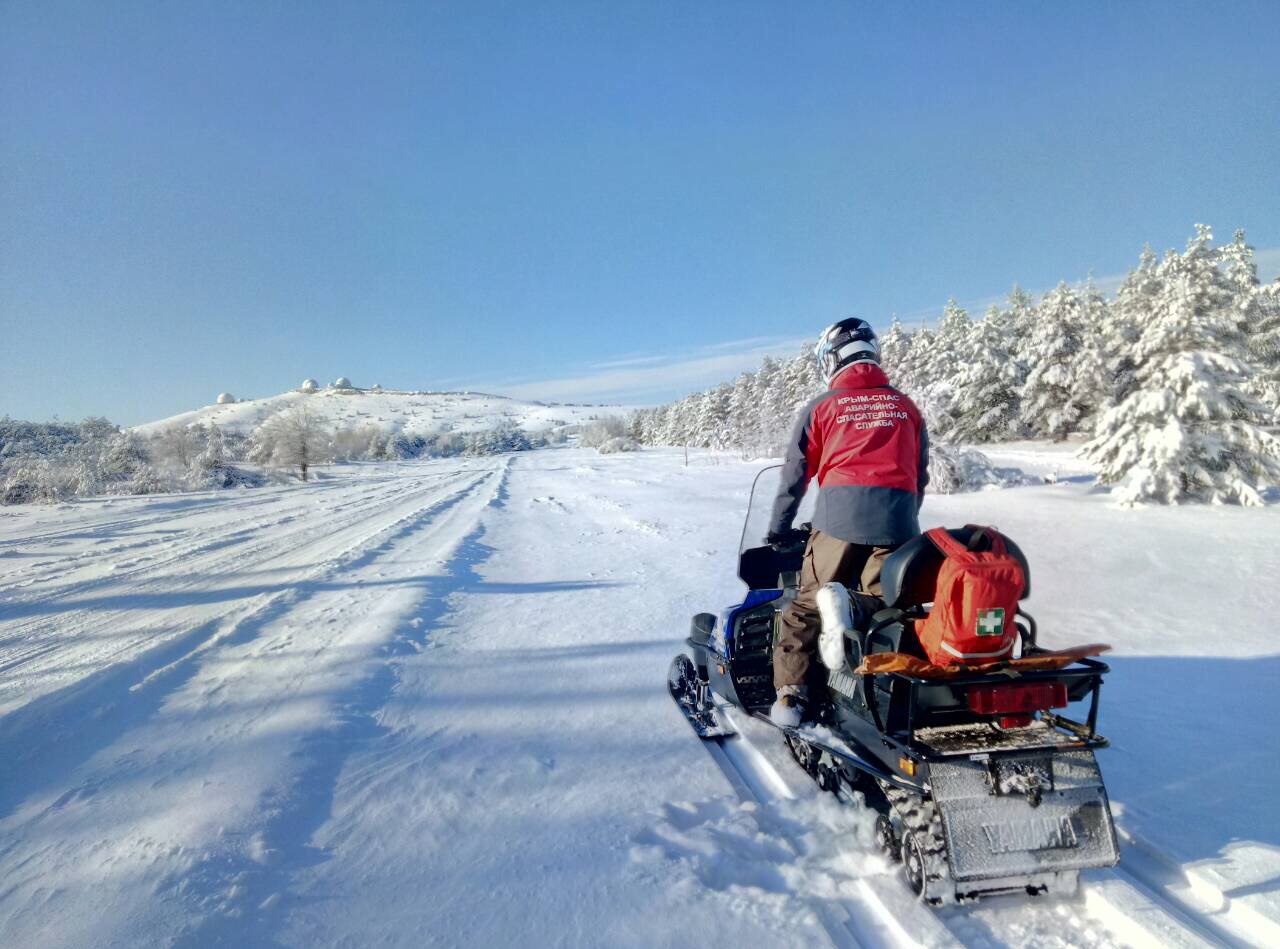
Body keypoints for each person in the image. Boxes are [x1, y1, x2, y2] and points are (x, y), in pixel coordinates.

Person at [768, 317, 929, 727]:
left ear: (831, 359)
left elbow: (795, 474)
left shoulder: (822, 407)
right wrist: (902, 517)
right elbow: (919, 472)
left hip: (838, 521)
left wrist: (779, 527)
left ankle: (791, 697)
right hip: (899, 523)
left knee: (804, 606)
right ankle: (879, 695)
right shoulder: (906, 407)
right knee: (888, 609)